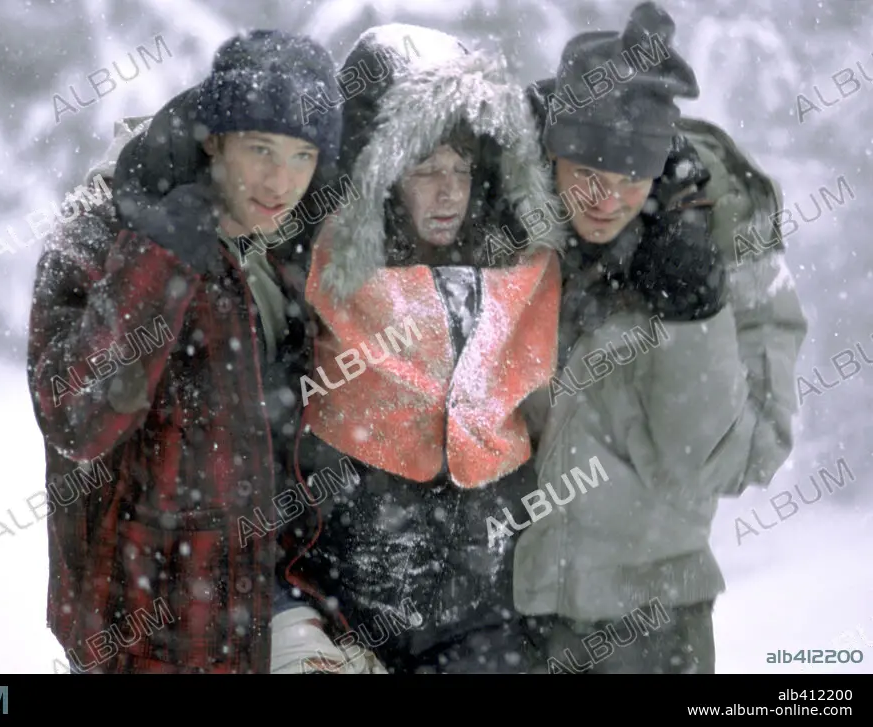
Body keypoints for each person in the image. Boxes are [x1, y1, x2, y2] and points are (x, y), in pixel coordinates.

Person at [25, 29, 343, 673]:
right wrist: (160, 257)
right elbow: (75, 418)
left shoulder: (294, 243)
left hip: (269, 602)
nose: (281, 180)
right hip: (142, 623)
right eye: (261, 149)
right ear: (214, 139)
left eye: (303, 155)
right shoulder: (104, 226)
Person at [511, 2, 808, 674]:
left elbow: (738, 459)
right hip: (501, 613)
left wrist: (694, 316)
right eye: (587, 173)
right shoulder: (506, 216)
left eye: (630, 178)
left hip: (654, 622)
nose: (606, 199)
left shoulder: (728, 238)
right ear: (552, 153)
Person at [272, 24, 567, 674]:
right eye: (426, 169)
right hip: (346, 610)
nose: (448, 191)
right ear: (380, 176)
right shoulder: (310, 270)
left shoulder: (530, 271)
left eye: (461, 169)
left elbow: (617, 183)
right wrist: (289, 612)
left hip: (490, 616)